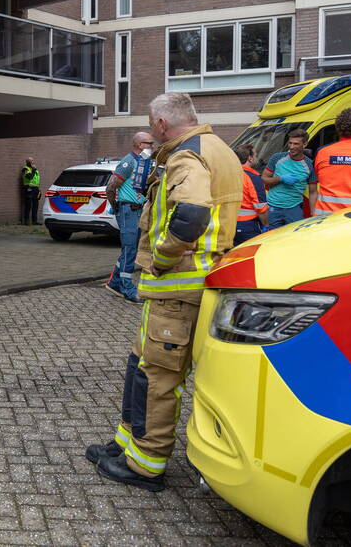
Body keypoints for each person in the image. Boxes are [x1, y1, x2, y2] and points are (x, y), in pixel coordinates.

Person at [85, 93, 241, 492]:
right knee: (140, 365)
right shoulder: (218, 148)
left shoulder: (186, 157)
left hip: (179, 287)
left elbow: (190, 213)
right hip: (179, 290)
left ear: (159, 124)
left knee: (157, 376)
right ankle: (127, 444)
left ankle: (146, 464)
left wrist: (164, 254)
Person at [104, 132, 155, 304]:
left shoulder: (142, 162)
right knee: (130, 250)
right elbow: (110, 187)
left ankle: (114, 283)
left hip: (137, 211)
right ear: (140, 145)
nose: (152, 147)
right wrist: (117, 207)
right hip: (128, 211)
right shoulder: (128, 162)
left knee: (130, 248)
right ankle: (127, 289)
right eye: (150, 143)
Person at [262, 129, 317, 228]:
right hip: (273, 207)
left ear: (304, 145)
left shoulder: (309, 164)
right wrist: (280, 179)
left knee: (294, 239)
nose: (291, 147)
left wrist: (313, 213)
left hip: (294, 208)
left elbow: (313, 192)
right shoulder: (277, 158)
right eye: (290, 143)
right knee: (271, 239)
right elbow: (264, 179)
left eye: (296, 144)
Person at [234, 144, 269, 245]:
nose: (256, 158)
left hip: (230, 223)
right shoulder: (253, 177)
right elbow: (260, 206)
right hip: (248, 226)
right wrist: (266, 225)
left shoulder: (231, 174)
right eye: (256, 155)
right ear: (250, 158)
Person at [20, 157, 41, 225]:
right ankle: (26, 221)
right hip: (28, 188)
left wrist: (38, 189)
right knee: (28, 205)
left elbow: (37, 180)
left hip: (36, 189)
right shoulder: (25, 169)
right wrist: (34, 170)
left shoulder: (35, 169)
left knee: (35, 205)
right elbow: (30, 177)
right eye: (31, 160)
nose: (32, 161)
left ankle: (34, 221)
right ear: (27, 162)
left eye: (33, 160)